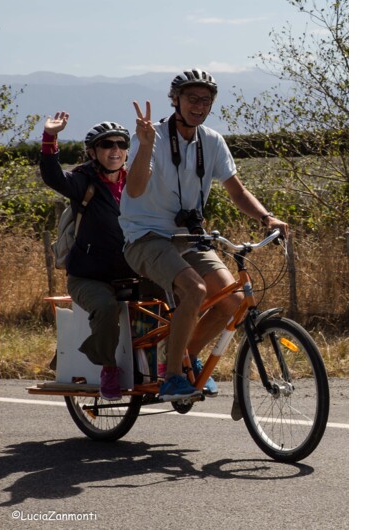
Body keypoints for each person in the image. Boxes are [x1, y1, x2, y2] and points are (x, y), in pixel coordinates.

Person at [119, 68, 289, 401]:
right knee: (194, 289)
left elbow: (237, 192)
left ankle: (187, 358)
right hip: (145, 236)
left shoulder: (211, 141)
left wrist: (267, 217)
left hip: (188, 237)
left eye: (206, 100)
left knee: (233, 302)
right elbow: (135, 190)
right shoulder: (150, 136)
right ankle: (171, 376)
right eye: (192, 98)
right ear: (175, 100)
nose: (199, 105)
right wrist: (144, 147)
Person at [39, 113, 144, 401]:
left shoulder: (135, 181)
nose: (115, 150)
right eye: (107, 144)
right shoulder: (83, 181)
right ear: (92, 152)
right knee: (107, 308)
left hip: (131, 270)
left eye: (121, 144)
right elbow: (52, 176)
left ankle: (168, 365)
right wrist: (50, 137)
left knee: (171, 298)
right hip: (87, 276)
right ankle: (108, 367)